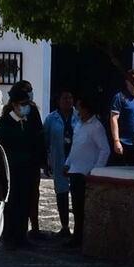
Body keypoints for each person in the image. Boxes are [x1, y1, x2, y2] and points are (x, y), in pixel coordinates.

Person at [0, 86, 44, 249]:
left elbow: (37, 140)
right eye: (22, 104)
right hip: (12, 171)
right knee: (12, 205)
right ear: (15, 104)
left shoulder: (29, 121)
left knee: (25, 202)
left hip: (28, 170)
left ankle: (21, 236)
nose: (25, 107)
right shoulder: (5, 124)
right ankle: (10, 237)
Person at [63, 95, 110, 248]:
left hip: (86, 173)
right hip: (75, 170)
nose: (77, 110)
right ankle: (76, 236)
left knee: (83, 208)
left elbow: (105, 150)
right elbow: (75, 146)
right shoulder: (79, 124)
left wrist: (95, 170)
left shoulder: (96, 127)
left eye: (79, 107)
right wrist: (67, 163)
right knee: (76, 207)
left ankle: (82, 238)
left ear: (86, 109)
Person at [44, 89, 79, 238]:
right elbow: (45, 140)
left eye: (70, 97)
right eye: (65, 98)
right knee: (61, 193)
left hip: (77, 161)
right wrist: (46, 161)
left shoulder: (79, 116)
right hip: (59, 160)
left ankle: (78, 227)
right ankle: (64, 226)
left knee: (77, 194)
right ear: (58, 101)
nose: (68, 101)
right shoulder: (51, 119)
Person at [16, 80, 45, 236]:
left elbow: (39, 134)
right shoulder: (14, 111)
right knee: (24, 195)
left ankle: (34, 227)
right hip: (22, 160)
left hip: (32, 160)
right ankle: (21, 229)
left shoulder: (32, 109)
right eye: (29, 90)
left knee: (34, 194)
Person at [109, 69, 134, 167]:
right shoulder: (120, 97)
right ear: (127, 82)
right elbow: (114, 119)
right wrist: (116, 141)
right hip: (123, 141)